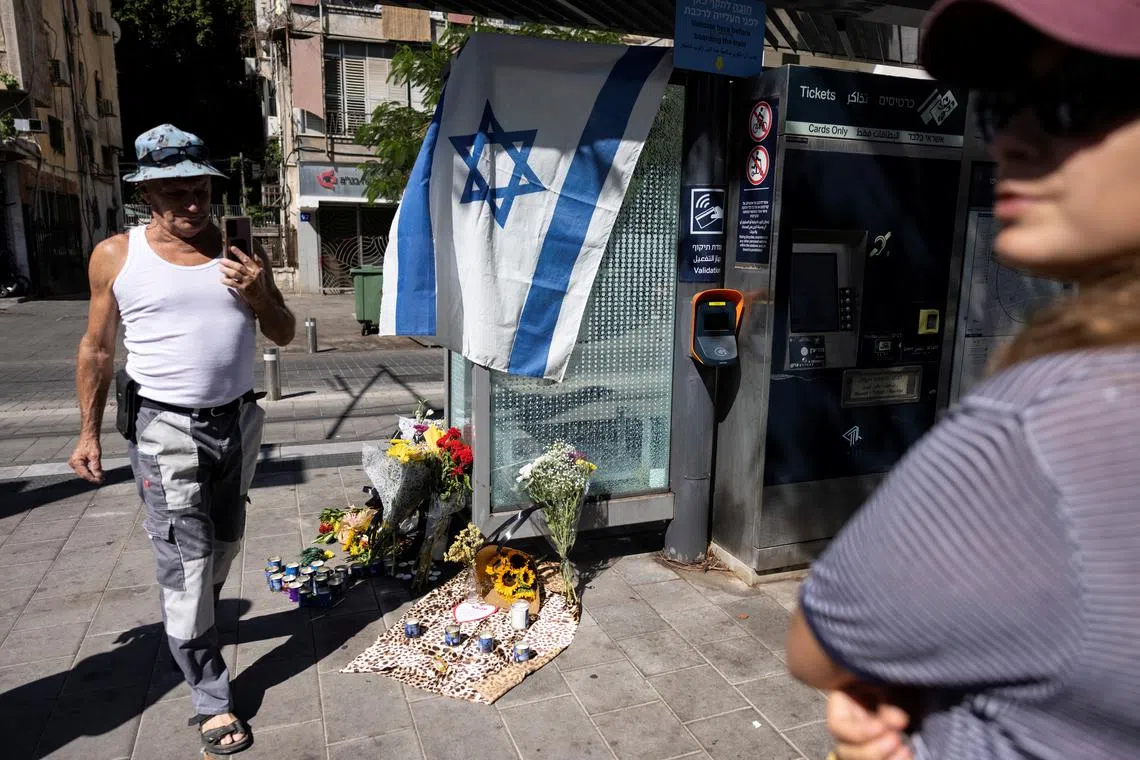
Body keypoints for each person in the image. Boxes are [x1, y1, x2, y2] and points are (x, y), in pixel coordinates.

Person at [784, 0, 1140, 758]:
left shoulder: (1042, 424)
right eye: (1000, 107)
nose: (1008, 138)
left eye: (1073, 98)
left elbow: (818, 645)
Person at [69, 124, 295, 756]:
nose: (194, 205)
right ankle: (209, 694)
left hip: (239, 422)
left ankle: (188, 625)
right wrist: (88, 433)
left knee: (224, 546)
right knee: (188, 560)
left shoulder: (239, 249)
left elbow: (280, 331)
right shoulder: (116, 256)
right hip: (163, 425)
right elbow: (96, 348)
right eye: (177, 193)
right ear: (148, 195)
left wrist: (256, 293)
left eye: (200, 189)